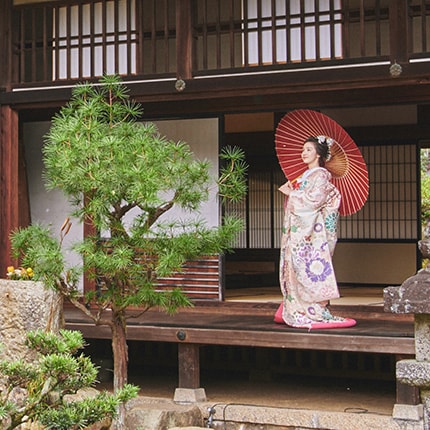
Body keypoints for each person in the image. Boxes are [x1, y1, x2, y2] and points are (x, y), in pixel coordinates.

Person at [274, 135, 351, 329]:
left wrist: (292, 194)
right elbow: (299, 203)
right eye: (303, 150)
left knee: (310, 267)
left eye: (308, 149)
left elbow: (313, 202)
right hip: (300, 231)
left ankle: (312, 307)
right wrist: (293, 192)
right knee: (294, 266)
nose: (303, 153)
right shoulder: (306, 176)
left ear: (318, 154)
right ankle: (297, 305)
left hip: (313, 235)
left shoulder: (321, 175)